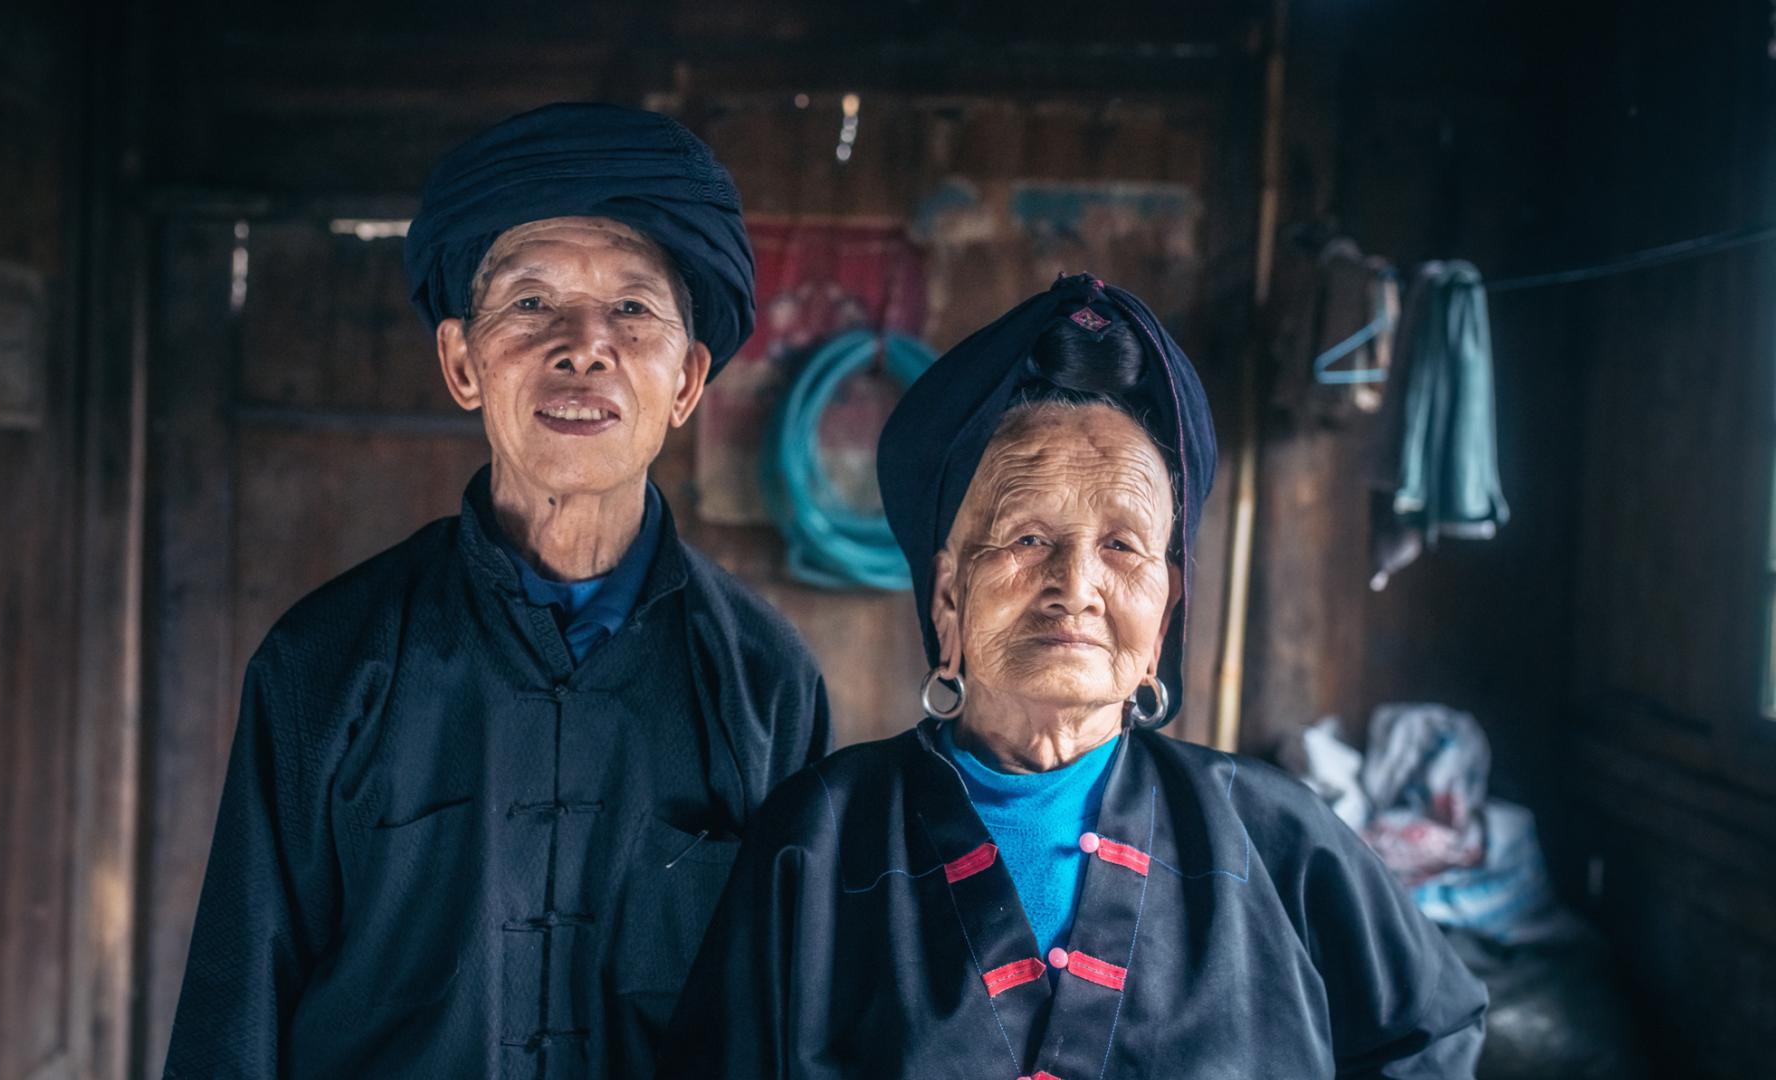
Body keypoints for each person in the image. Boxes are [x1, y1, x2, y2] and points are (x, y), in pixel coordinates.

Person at [659, 274, 1486, 1078]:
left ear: (1164, 615)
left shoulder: (1273, 839)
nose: (1076, 587)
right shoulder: (820, 841)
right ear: (949, 596)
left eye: (1123, 546)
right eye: (1026, 539)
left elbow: (1432, 1031)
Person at [163, 103, 830, 1079]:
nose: (584, 346)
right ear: (462, 362)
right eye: (530, 303)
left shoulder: (767, 683)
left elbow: (794, 1022)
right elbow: (236, 1012)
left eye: (632, 311)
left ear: (687, 382)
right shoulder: (327, 660)